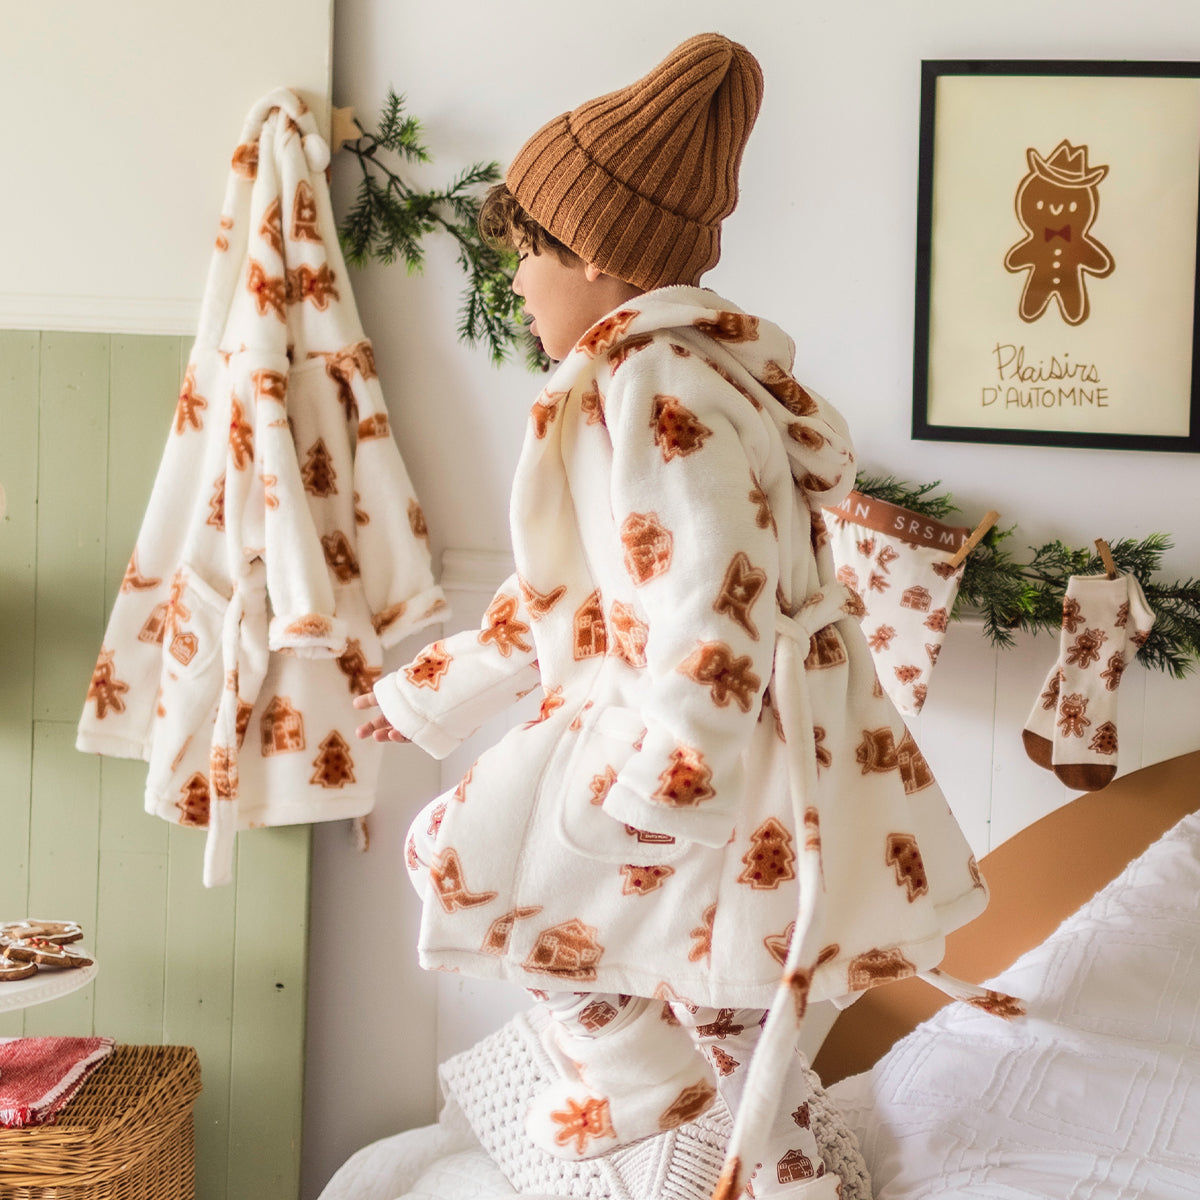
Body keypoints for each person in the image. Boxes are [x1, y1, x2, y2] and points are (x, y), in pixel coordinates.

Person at [355, 33, 991, 1199]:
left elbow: (714, 587)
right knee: (742, 1030)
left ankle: (633, 1070)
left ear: (597, 259)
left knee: (457, 857)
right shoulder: (674, 377)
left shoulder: (654, 384)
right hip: (735, 747)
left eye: (530, 258)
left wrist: (666, 782)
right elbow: (570, 598)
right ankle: (778, 1164)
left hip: (716, 753)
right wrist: (417, 694)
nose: (515, 285)